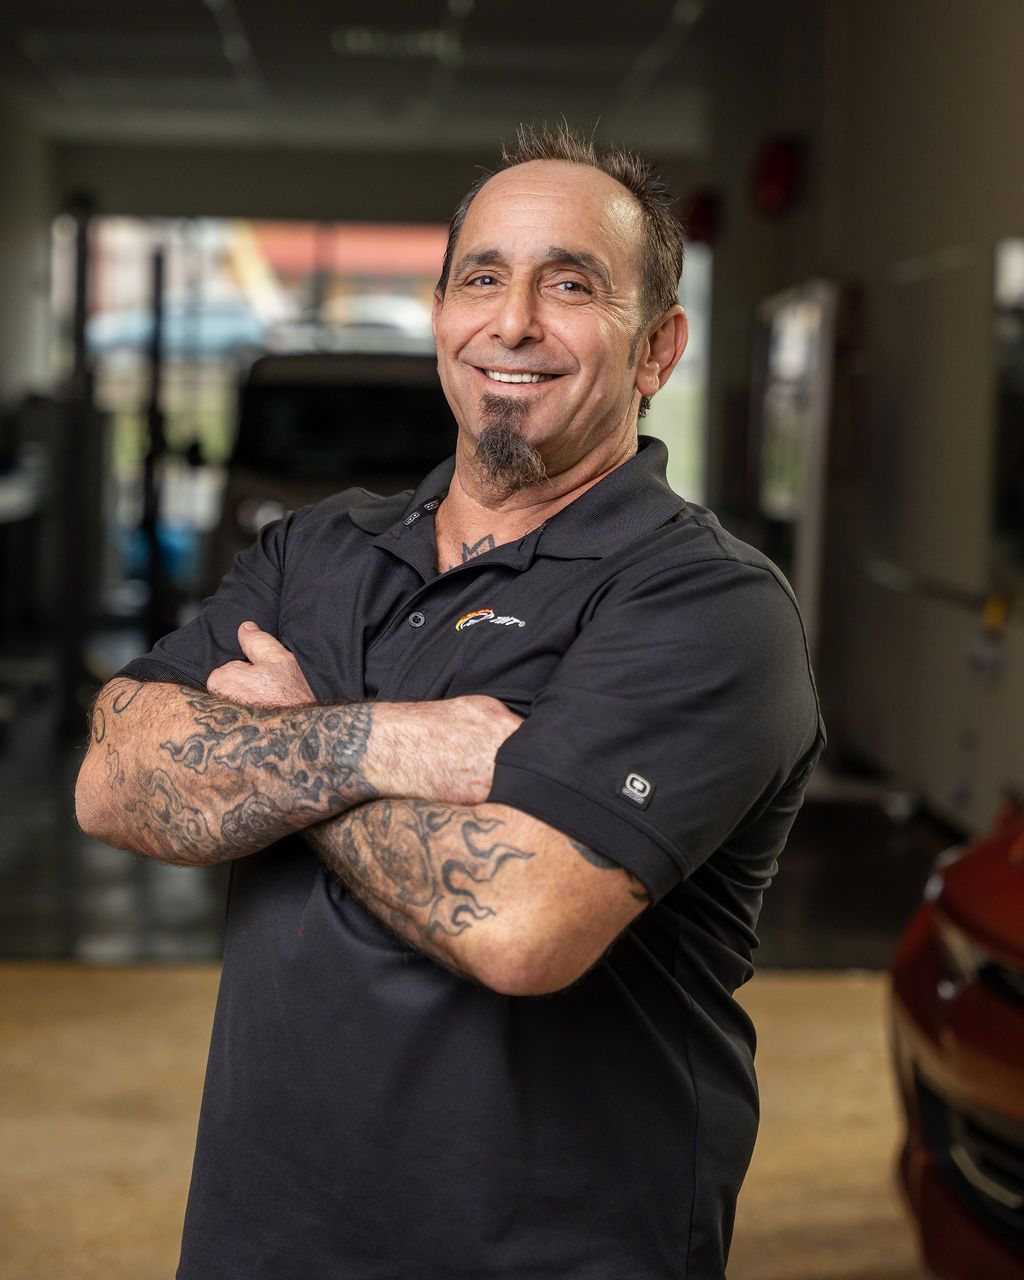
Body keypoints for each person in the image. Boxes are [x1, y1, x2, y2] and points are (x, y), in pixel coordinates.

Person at [76, 124, 824, 1280]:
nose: (513, 320)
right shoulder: (317, 549)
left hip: (551, 1249)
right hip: (262, 1235)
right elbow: (113, 776)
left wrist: (278, 743)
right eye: (483, 276)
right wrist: (390, 739)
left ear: (657, 350)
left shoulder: (706, 604)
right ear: (440, 317)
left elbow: (523, 925)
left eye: (569, 284)